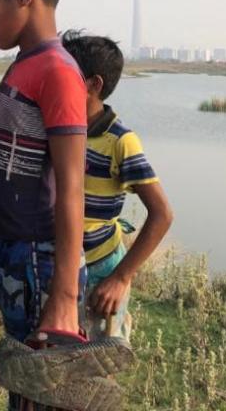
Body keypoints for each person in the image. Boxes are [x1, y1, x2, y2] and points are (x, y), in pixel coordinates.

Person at [0, 0, 88, 411]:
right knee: (25, 380)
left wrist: (63, 296)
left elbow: (72, 186)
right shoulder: (26, 63)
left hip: (38, 257)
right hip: (12, 251)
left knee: (43, 387)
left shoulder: (58, 71)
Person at [59, 31, 173, 342]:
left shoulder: (120, 141)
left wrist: (121, 277)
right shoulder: (54, 129)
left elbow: (162, 214)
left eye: (64, 75)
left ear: (93, 85)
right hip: (58, 267)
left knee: (98, 363)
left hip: (99, 271)